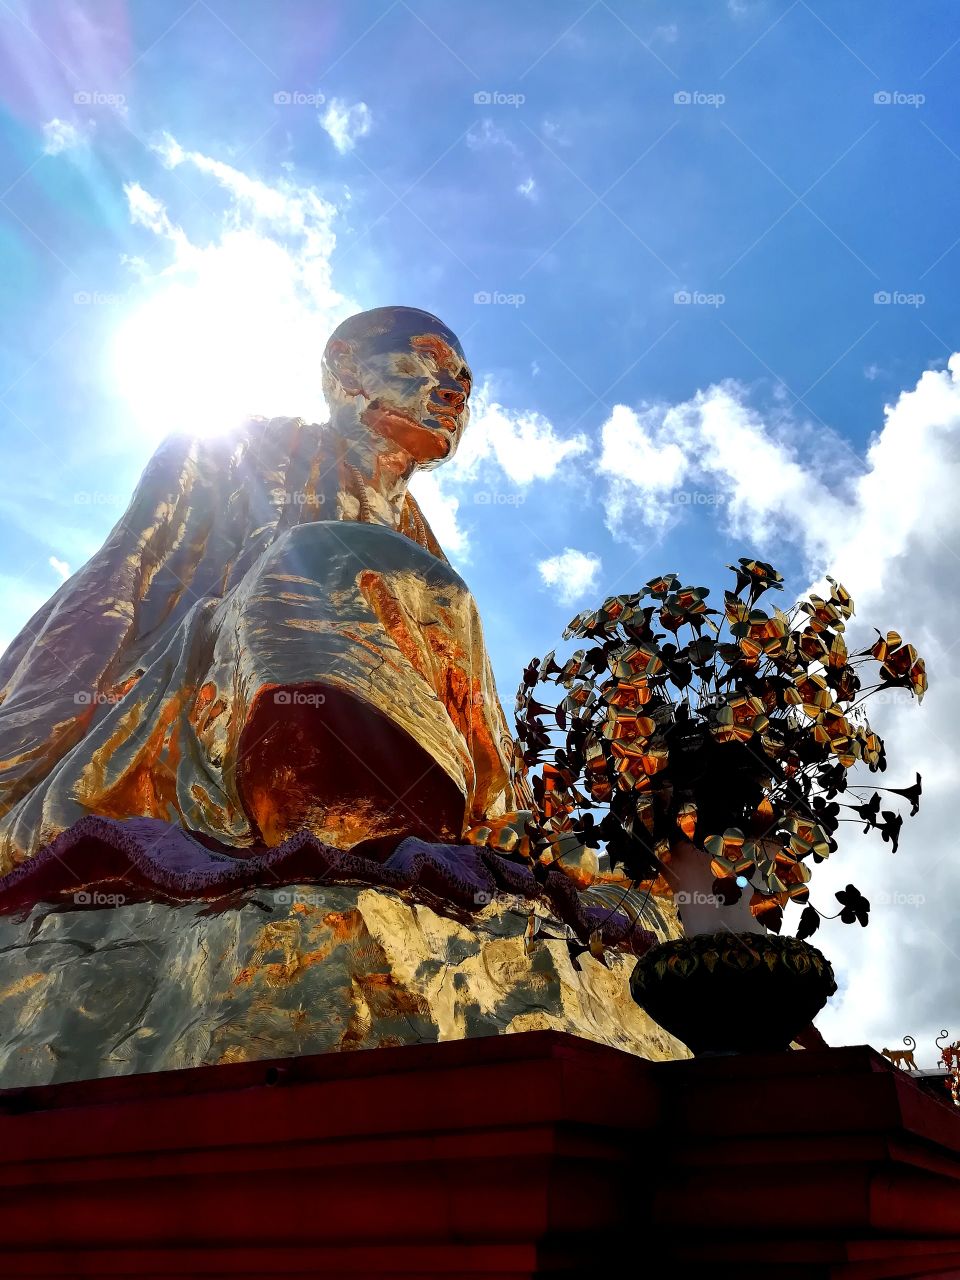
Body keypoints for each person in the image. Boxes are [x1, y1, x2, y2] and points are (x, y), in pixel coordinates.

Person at [0, 307, 519, 870]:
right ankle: (340, 817)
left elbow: (473, 705)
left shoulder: (422, 544)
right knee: (319, 554)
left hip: (393, 744)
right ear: (344, 368)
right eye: (421, 363)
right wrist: (31, 738)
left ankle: (420, 823)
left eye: (464, 382)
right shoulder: (230, 446)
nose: (451, 393)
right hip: (204, 686)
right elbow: (120, 574)